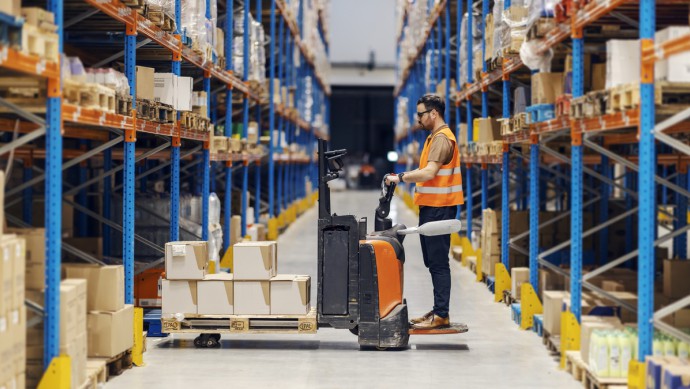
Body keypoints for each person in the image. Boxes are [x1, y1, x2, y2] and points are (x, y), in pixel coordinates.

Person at [385, 94, 464, 330]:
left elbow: (429, 173)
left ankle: (442, 314)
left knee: (438, 262)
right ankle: (438, 310)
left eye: (420, 114)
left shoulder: (442, 138)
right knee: (432, 261)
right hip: (432, 207)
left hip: (440, 208)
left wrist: (400, 177)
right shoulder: (433, 138)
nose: (418, 119)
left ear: (433, 114)